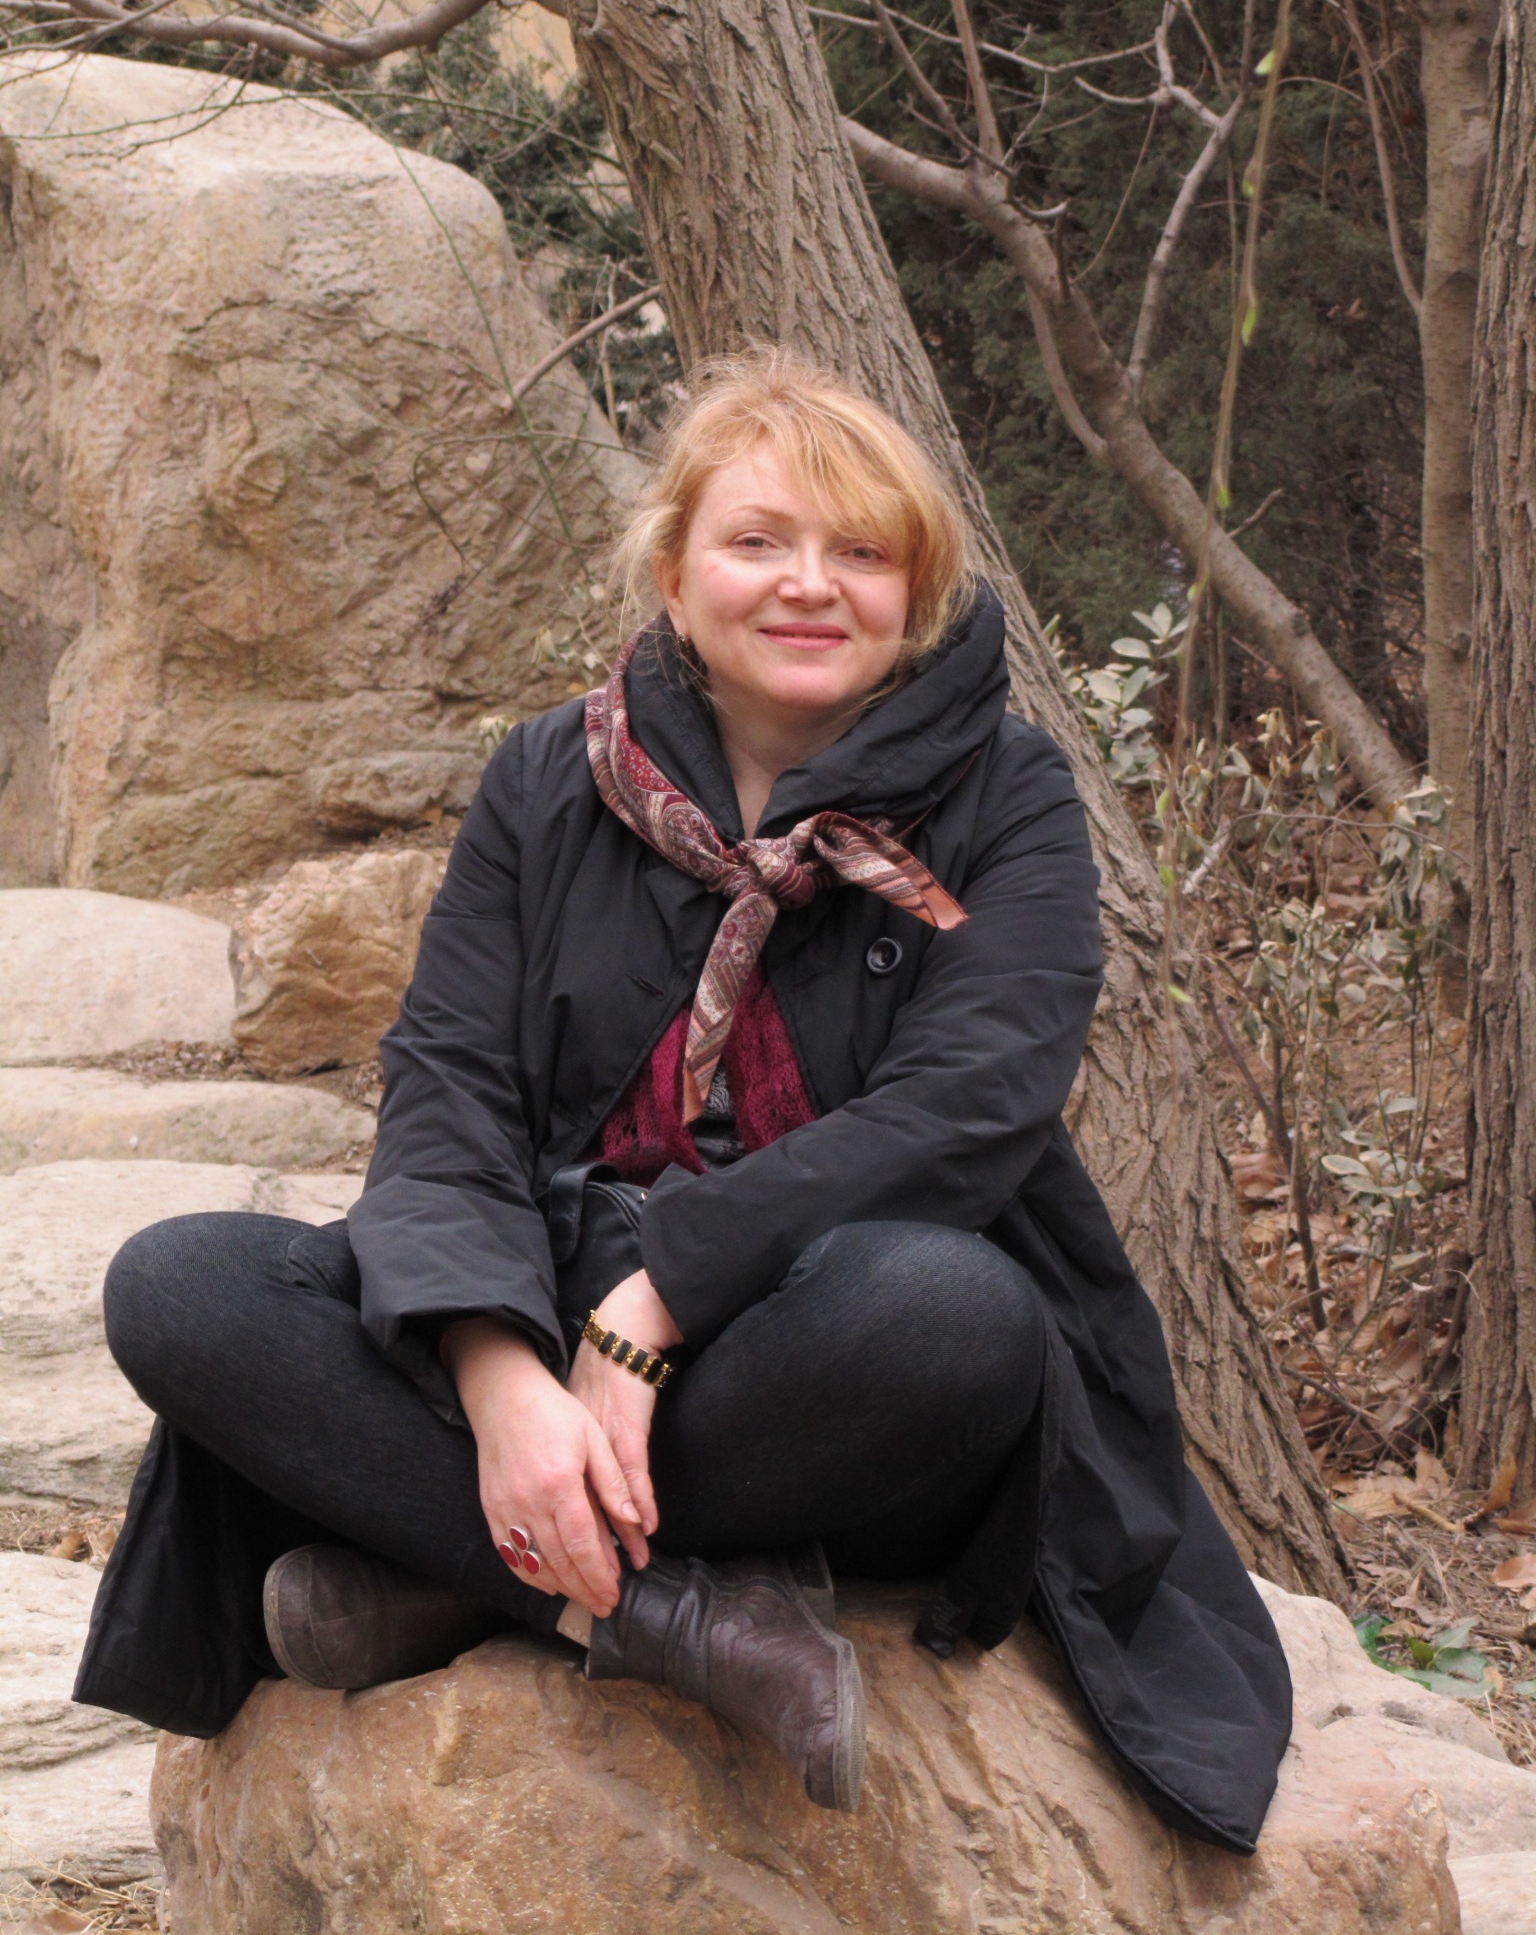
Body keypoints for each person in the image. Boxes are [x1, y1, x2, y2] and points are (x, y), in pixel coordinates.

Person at [75, 350, 1291, 1846]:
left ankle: (452, 1574)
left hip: (817, 1355)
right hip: (543, 1299)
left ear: (915, 592)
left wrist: (653, 1306)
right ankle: (657, 1612)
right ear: (674, 571)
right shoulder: (548, 777)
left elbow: (970, 1110)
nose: (810, 585)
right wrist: (500, 1378)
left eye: (862, 553)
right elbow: (449, 1092)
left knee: (957, 1317)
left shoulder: (1009, 795)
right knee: (178, 1285)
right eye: (758, 540)